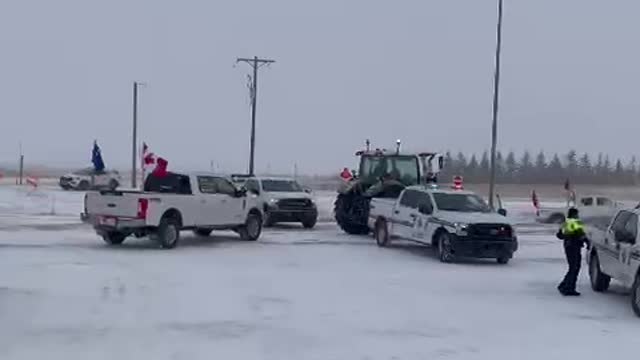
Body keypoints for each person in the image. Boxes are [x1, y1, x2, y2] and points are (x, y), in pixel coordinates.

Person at [556, 207, 590, 296]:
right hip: (574, 247)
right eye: (577, 214)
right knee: (575, 268)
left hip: (568, 247)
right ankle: (569, 288)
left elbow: (559, 235)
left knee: (572, 267)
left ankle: (564, 285)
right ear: (574, 214)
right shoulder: (575, 222)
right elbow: (581, 235)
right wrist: (588, 243)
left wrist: (566, 237)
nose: (578, 215)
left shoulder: (565, 223)